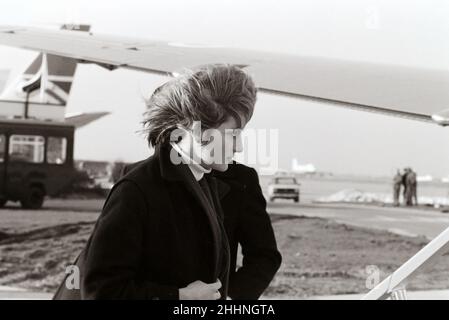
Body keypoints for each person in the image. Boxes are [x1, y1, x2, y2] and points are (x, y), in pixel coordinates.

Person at [53, 64, 257, 300]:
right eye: (233, 134)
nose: (238, 146)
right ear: (194, 128)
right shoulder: (137, 190)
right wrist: (180, 297)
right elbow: (101, 291)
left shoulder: (204, 183)